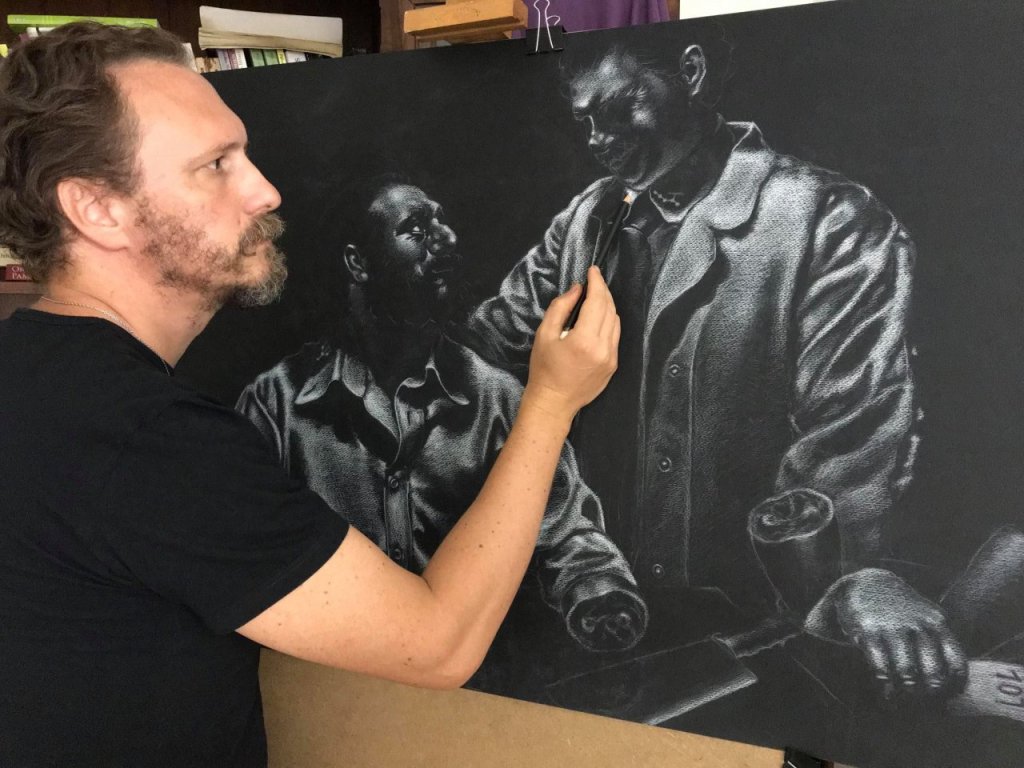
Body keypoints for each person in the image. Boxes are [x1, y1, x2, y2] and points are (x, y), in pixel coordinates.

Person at [0, 23, 619, 766]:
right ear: (98, 208)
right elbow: (439, 645)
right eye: (215, 165)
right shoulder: (152, 440)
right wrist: (549, 402)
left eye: (245, 154)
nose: (265, 190)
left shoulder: (33, 380)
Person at [467, 43, 965, 692]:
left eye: (619, 110)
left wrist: (851, 579)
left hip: (760, 642)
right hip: (600, 624)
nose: (598, 140)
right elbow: (486, 356)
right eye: (585, 120)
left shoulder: (828, 221)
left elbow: (854, 433)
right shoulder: (588, 220)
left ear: (692, 73)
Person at [236, 176, 647, 656]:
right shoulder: (276, 405)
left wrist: (600, 594)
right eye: (416, 228)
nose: (447, 238)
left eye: (442, 221)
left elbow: (567, 532)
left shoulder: (498, 398)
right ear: (358, 263)